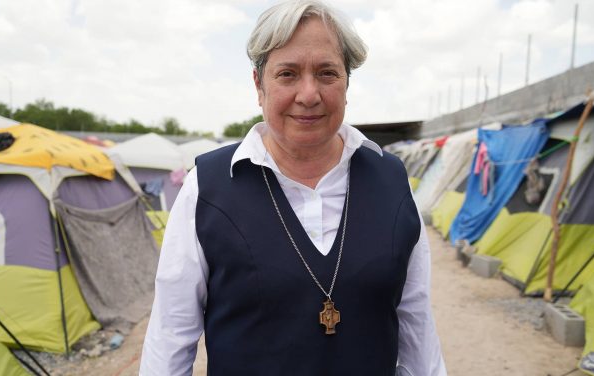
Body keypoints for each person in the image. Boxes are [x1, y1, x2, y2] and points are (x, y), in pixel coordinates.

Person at [140, 1, 447, 375]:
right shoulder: (207, 188)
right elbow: (170, 336)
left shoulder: (392, 183)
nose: (308, 94)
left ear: (347, 83)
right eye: (287, 73)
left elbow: (416, 326)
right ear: (259, 85)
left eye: (327, 73)